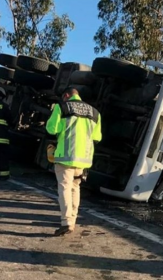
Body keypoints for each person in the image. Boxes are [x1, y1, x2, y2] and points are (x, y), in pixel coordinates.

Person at [46, 87, 102, 236]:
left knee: (64, 187)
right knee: (75, 188)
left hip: (66, 156)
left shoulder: (62, 107)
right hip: (83, 159)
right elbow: (97, 137)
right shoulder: (94, 112)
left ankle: (66, 222)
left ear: (66, 96)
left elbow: (51, 129)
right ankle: (73, 220)